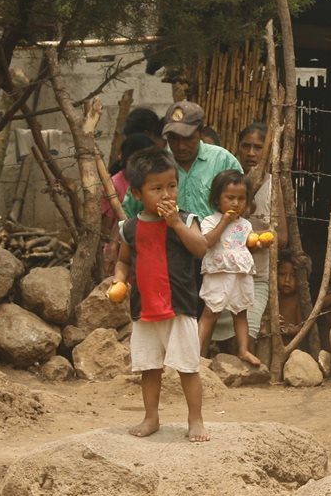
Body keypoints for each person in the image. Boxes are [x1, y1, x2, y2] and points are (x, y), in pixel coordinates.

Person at [112, 146, 209, 442]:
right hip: (144, 310)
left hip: (179, 307)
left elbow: (201, 248)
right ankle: (151, 416)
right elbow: (123, 260)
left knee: (188, 367)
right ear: (138, 194)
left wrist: (176, 224)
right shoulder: (129, 227)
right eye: (157, 188)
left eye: (171, 185)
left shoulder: (185, 220)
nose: (167, 194)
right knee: (149, 367)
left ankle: (195, 419)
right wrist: (118, 280)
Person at [211, 123, 288, 353]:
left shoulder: (274, 187)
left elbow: (283, 237)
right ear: (238, 147)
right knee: (221, 341)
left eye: (258, 147)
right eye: (246, 146)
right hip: (224, 273)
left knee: (247, 337)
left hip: (256, 277)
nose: (252, 153)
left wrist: (258, 240)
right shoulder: (225, 184)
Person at [122, 101, 242, 220]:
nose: (181, 146)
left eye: (188, 139)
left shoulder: (223, 160)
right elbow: (129, 211)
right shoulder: (152, 164)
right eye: (173, 138)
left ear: (201, 133)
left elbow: (242, 203)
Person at [196, 170, 262, 366]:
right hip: (219, 272)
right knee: (210, 312)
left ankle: (243, 350)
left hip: (240, 274)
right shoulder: (210, 221)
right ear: (217, 200)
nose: (236, 203)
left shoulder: (246, 225)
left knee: (240, 312)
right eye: (230, 198)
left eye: (241, 199)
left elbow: (244, 247)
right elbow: (208, 241)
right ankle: (195, 352)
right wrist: (224, 221)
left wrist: (256, 244)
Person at [101, 133, 158, 275]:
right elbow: (106, 226)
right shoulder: (114, 185)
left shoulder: (151, 182)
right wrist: (114, 244)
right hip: (120, 247)